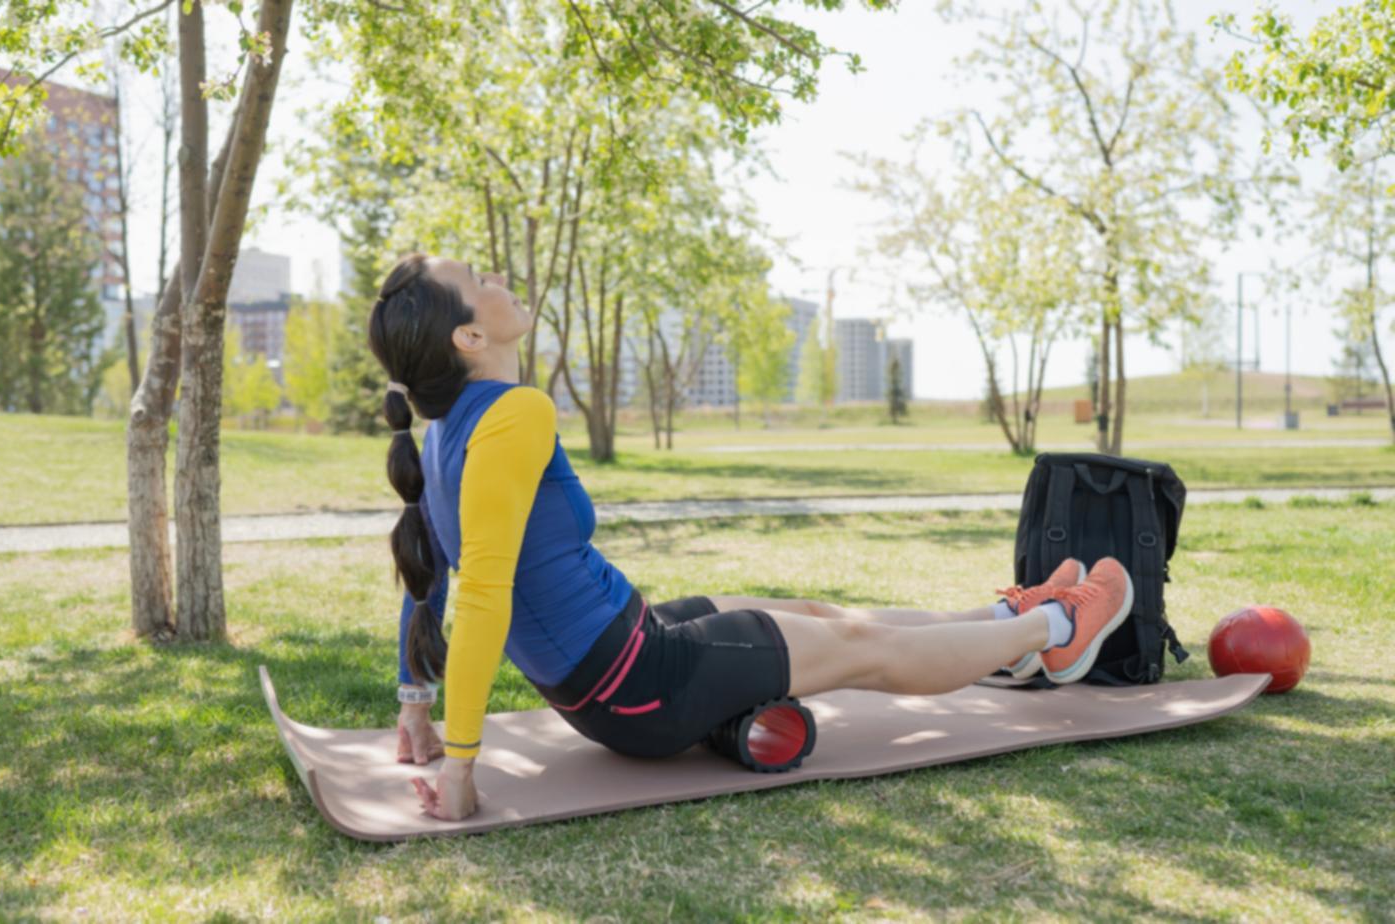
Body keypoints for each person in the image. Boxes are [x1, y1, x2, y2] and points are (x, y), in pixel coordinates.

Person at [368, 253, 1133, 822]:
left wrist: (414, 706)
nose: (499, 277)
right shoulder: (514, 413)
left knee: (816, 612)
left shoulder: (441, 435)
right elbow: (480, 594)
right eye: (480, 280)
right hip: (638, 686)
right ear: (470, 334)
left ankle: (1007, 628)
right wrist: (462, 768)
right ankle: (1058, 628)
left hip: (623, 650)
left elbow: (421, 577)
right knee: (867, 649)